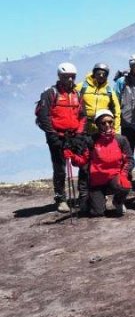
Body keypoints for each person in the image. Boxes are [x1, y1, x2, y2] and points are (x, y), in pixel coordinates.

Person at [36, 62, 87, 212]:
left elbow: (83, 116)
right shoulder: (51, 93)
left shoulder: (77, 94)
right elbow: (44, 116)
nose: (70, 80)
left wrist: (79, 134)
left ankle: (83, 195)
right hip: (57, 136)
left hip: (74, 136)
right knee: (59, 168)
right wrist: (52, 136)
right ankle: (61, 198)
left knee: (83, 164)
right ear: (60, 77)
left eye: (73, 77)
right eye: (66, 77)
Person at [67, 109, 132, 217]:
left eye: (110, 122)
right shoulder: (91, 141)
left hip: (114, 177)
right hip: (96, 182)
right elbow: (83, 161)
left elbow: (129, 160)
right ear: (98, 125)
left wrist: (124, 174)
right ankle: (98, 199)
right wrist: (72, 156)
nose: (107, 125)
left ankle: (118, 202)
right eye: (103, 123)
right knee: (97, 213)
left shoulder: (121, 140)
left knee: (125, 185)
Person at [77, 63, 121, 134]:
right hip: (83, 127)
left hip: (102, 128)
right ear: (94, 73)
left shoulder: (109, 91)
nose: (101, 76)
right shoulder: (81, 87)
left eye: (104, 74)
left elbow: (116, 112)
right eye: (99, 73)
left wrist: (116, 131)